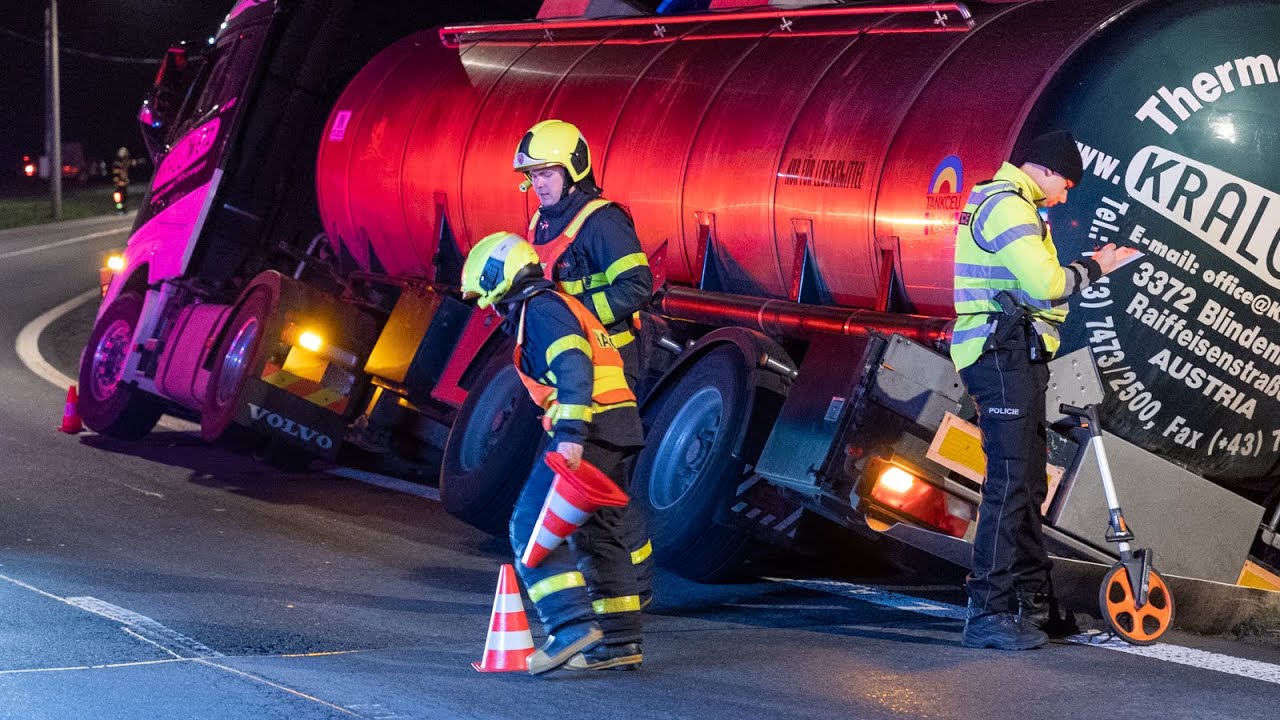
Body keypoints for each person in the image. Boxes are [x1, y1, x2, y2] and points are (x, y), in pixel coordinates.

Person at [950, 130, 1140, 650]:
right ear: (1046, 170)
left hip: (1015, 354)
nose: (1063, 196)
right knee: (1010, 485)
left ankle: (1029, 604)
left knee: (1029, 485)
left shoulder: (1011, 203)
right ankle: (987, 612)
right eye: (1065, 184)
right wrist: (1097, 266)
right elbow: (1047, 285)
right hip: (1000, 353)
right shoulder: (1008, 207)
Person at [461, 231, 646, 674]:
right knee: (598, 534)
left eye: (484, 294)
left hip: (589, 425)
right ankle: (619, 642)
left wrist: (570, 433)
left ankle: (570, 626)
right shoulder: (555, 305)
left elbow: (573, 365)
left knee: (530, 525)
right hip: (618, 426)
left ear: (497, 276)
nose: (486, 306)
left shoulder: (540, 309)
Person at [513, 120, 657, 612]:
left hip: (612, 362)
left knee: (603, 477)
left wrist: (572, 314)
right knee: (592, 478)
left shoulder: (601, 220)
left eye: (548, 173)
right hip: (573, 369)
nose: (540, 184)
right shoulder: (540, 223)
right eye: (533, 176)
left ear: (574, 167)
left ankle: (632, 586)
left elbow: (636, 286)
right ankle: (621, 584)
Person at [111, 147, 131, 213]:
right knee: (118, 197)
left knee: (124, 196)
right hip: (119, 182)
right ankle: (119, 209)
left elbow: (129, 165)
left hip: (124, 181)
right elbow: (116, 172)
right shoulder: (117, 161)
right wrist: (117, 181)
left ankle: (123, 208)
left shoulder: (125, 161)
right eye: (122, 152)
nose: (124, 153)